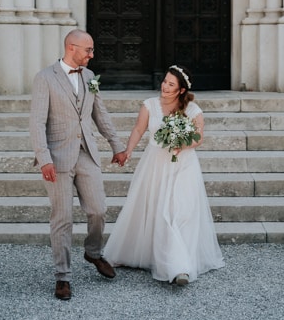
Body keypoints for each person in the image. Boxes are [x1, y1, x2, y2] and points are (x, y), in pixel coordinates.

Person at [103, 65, 224, 286]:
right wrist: (128, 151)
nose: (165, 86)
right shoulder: (149, 105)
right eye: (164, 81)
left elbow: (198, 138)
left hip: (183, 166)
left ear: (180, 90)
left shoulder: (193, 110)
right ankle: (157, 257)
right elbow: (139, 129)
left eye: (171, 84)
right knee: (158, 210)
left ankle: (179, 267)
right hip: (155, 164)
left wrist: (181, 144)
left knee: (179, 211)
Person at [29, 29, 127, 301]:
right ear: (71, 48)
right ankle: (63, 277)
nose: (92, 55)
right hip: (57, 158)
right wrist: (44, 158)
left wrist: (116, 145)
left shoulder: (89, 77)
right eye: (88, 50)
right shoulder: (44, 78)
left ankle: (93, 252)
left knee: (98, 209)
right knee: (63, 218)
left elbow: (100, 114)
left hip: (86, 152)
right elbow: (36, 122)